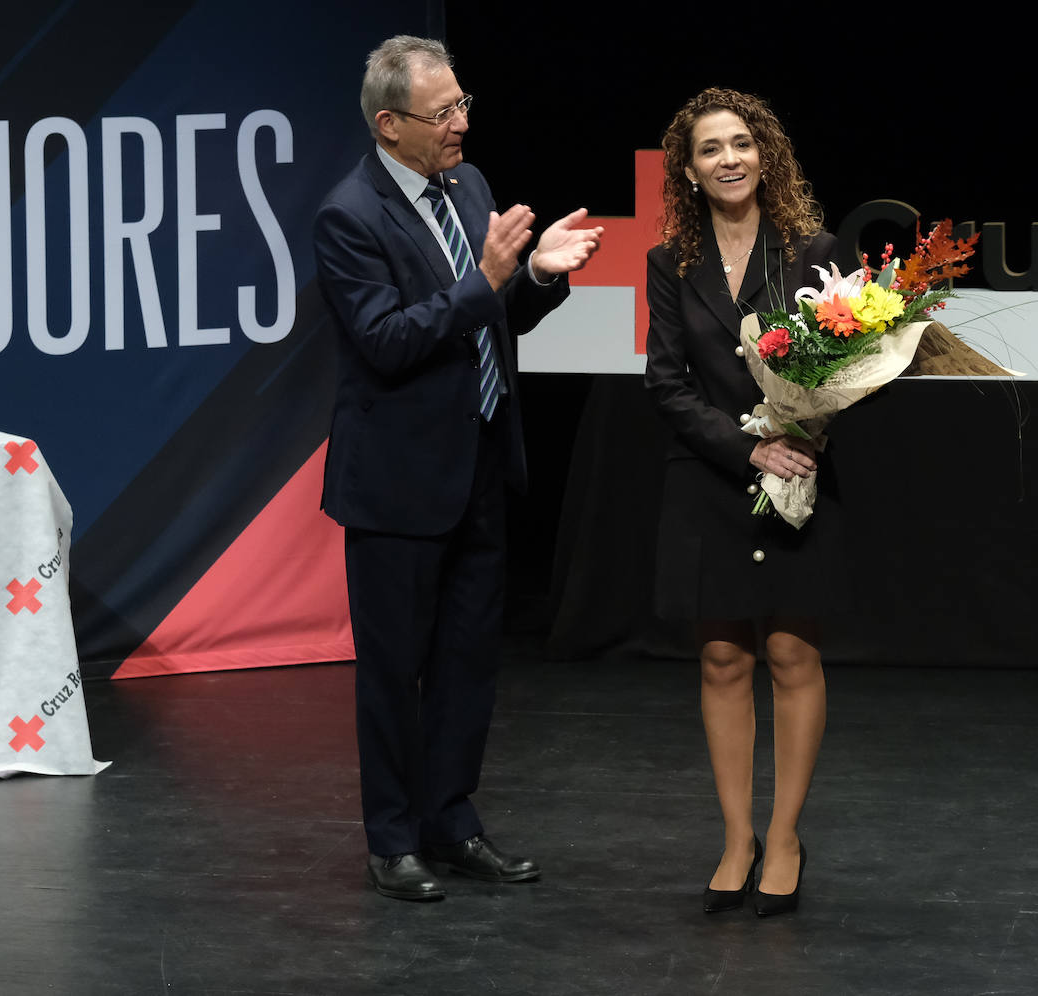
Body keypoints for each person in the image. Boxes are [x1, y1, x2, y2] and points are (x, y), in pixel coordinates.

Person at [313, 35, 602, 901]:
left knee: (470, 659)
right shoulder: (348, 216)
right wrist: (487, 276)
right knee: (395, 669)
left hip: (478, 460)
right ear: (390, 124)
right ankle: (392, 837)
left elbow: (487, 319)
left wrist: (536, 279)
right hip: (397, 482)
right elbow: (388, 343)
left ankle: (452, 819)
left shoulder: (466, 186)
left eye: (464, 103)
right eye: (444, 114)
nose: (463, 124)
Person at [643, 87, 845, 917]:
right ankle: (736, 838)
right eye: (709, 149)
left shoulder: (811, 249)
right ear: (687, 170)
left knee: (792, 657)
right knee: (723, 660)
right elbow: (665, 381)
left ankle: (787, 837)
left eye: (740, 144)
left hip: (795, 474)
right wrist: (742, 445)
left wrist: (796, 433)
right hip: (710, 480)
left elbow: (843, 369)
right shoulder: (669, 262)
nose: (728, 159)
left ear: (766, 154)